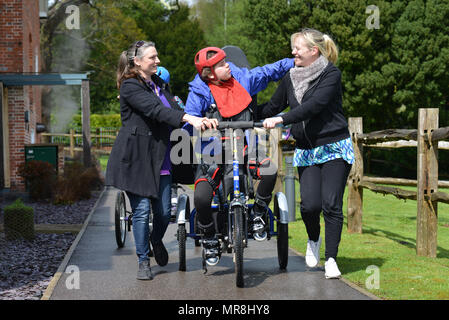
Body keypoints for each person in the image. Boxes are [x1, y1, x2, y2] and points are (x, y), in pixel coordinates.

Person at [106, 40, 217, 280]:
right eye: (152, 57)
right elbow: (157, 111)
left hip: (161, 156)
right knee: (142, 210)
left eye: (157, 57)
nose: (158, 61)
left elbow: (173, 107)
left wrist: (199, 117)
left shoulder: (158, 83)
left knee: (165, 212)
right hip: (136, 157)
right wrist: (188, 118)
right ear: (137, 62)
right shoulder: (129, 87)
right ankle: (143, 261)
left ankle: (156, 240)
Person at [185, 46, 294, 265]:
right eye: (221, 64)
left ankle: (258, 214)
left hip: (246, 145)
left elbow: (268, 71)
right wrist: (200, 124)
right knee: (201, 199)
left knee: (269, 171)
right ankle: (209, 238)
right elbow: (189, 122)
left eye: (226, 61)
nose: (228, 65)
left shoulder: (243, 78)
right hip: (213, 151)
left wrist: (295, 61)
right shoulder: (198, 91)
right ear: (210, 73)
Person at [261, 28, 355, 279]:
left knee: (331, 203)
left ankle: (332, 258)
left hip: (334, 145)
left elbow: (315, 106)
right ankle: (313, 239)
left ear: (313, 51)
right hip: (306, 149)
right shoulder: (290, 77)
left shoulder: (330, 74)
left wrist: (282, 119)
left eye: (298, 48)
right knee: (310, 206)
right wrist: (240, 111)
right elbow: (271, 106)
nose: (293, 52)